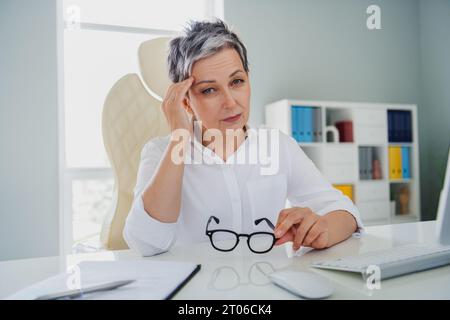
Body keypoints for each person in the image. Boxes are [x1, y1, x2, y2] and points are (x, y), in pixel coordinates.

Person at [123, 19, 363, 256]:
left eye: (237, 82)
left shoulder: (277, 146)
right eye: (209, 90)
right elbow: (145, 242)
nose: (230, 103)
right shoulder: (160, 152)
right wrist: (179, 136)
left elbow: (346, 212)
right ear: (186, 101)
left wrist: (323, 229)